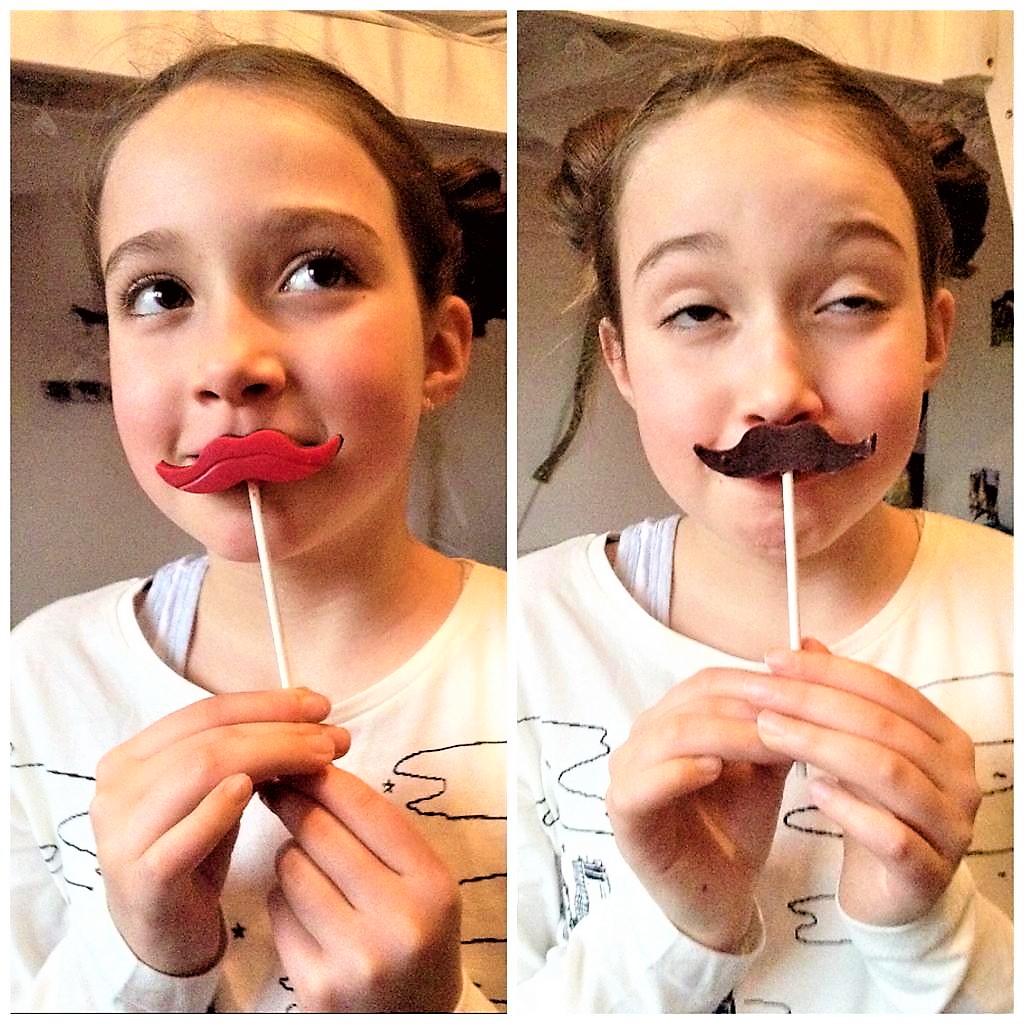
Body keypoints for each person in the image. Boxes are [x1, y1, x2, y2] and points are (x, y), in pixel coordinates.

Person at [517, 36, 1011, 1013]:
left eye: (851, 300)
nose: (780, 389)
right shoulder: (527, 639)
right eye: (698, 312)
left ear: (934, 334)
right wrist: (675, 925)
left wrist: (930, 930)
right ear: (621, 360)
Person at [11, 42, 506, 1013]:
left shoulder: (552, 668)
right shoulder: (36, 682)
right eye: (160, 294)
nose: (230, 362)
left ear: (441, 350)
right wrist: (140, 958)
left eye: (318, 271)